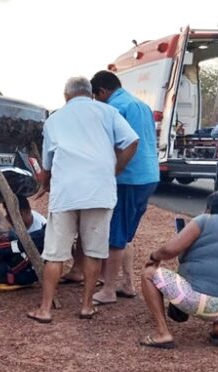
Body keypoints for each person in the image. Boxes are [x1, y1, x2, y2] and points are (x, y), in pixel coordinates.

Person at [27, 76, 138, 323]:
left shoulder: (54, 119)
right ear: (90, 93)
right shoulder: (108, 112)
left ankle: (45, 309)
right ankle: (87, 306)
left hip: (66, 191)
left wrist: (44, 184)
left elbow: (47, 164)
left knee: (55, 254)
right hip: (99, 191)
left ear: (66, 96)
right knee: (93, 251)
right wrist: (114, 169)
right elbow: (132, 141)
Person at [139, 190, 218, 349]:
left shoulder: (205, 220)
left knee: (149, 275)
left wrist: (154, 257)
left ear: (210, 208)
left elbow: (170, 250)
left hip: (203, 303)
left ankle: (163, 334)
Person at [90, 70, 160, 306]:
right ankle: (127, 284)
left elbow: (115, 145)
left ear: (101, 91)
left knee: (116, 236)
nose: (97, 101)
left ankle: (108, 290)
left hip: (128, 178)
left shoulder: (113, 108)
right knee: (127, 233)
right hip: (150, 176)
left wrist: (111, 171)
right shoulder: (141, 105)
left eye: (96, 96)